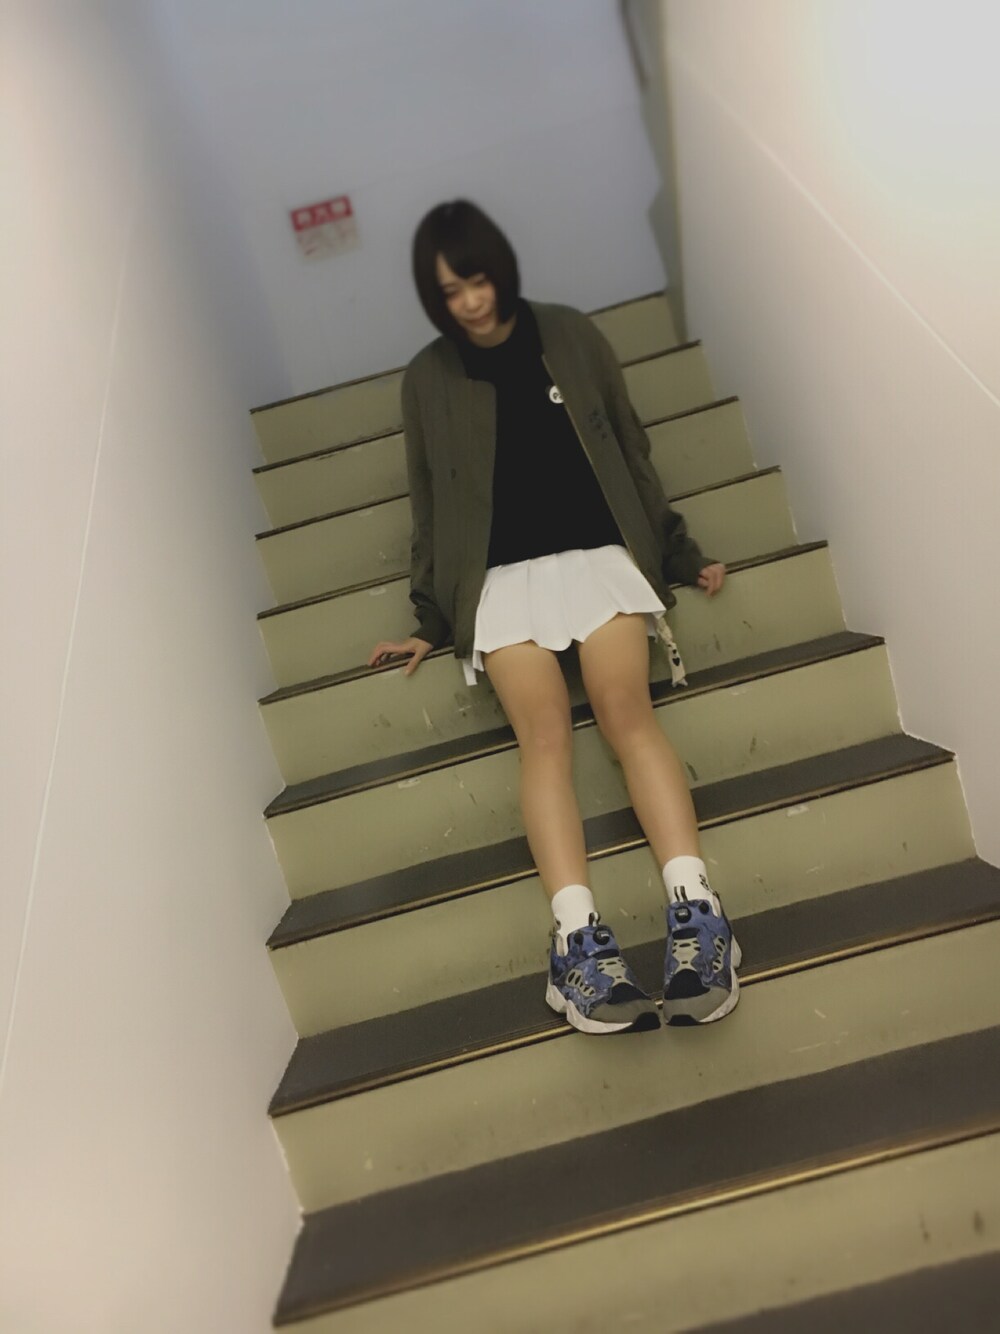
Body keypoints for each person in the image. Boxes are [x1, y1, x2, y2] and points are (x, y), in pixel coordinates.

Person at [368, 199, 740, 1035]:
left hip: (599, 555)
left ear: (500, 268)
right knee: (542, 735)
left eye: (477, 279)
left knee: (625, 710)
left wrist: (676, 552)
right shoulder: (429, 378)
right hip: (500, 580)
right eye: (450, 291)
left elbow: (630, 452)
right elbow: (431, 503)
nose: (469, 301)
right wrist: (431, 616)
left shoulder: (569, 334)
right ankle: (576, 942)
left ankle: (698, 912)